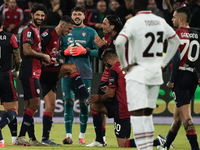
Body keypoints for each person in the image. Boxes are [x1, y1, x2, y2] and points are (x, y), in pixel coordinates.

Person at [115, 0, 180, 149]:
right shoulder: (160, 21)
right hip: (155, 74)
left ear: (134, 5)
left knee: (138, 117)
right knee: (147, 116)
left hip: (137, 74)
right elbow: (175, 41)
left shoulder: (133, 21)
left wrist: (124, 65)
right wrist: (163, 63)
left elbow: (119, 42)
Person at [40, 15, 91, 145]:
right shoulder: (48, 34)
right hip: (44, 70)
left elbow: (52, 55)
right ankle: (87, 96)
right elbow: (35, 48)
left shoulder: (58, 38)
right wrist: (40, 60)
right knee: (72, 68)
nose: (69, 32)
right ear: (62, 25)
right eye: (69, 29)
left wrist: (57, 59)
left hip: (49, 73)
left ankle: (45, 139)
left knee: (50, 106)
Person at [157, 7, 200, 150]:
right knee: (178, 116)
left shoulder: (175, 34)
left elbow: (175, 58)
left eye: (174, 17)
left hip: (181, 77)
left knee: (186, 117)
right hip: (193, 76)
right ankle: (166, 146)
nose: (172, 19)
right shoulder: (197, 34)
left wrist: (172, 79)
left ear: (181, 19)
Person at [60, 6, 98, 145]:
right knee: (68, 102)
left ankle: (82, 136)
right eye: (74, 14)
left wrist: (86, 50)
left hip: (85, 74)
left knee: (84, 104)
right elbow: (56, 52)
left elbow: (100, 52)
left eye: (79, 14)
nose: (77, 16)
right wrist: (65, 52)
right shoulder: (65, 31)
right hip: (67, 74)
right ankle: (68, 135)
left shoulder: (90, 32)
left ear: (84, 16)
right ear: (71, 16)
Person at [15, 3, 51, 146]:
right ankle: (21, 136)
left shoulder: (36, 30)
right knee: (35, 102)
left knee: (29, 104)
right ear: (31, 14)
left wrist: (41, 60)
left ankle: (33, 138)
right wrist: (43, 56)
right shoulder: (29, 30)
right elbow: (27, 50)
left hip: (34, 70)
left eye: (42, 15)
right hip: (29, 71)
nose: (40, 17)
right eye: (37, 15)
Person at [87, 14, 123, 147]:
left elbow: (115, 60)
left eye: (105, 24)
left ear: (112, 26)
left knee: (113, 105)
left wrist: (102, 48)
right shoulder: (107, 37)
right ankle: (100, 139)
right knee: (95, 104)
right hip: (106, 76)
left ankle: (121, 119)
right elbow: (105, 57)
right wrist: (101, 48)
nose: (102, 26)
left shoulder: (120, 39)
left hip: (117, 77)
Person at [0, 14, 21, 147]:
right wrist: (16, 70)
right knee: (12, 109)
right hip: (5, 74)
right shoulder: (10, 37)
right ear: (3, 22)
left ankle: (3, 141)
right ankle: (12, 139)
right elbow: (17, 59)